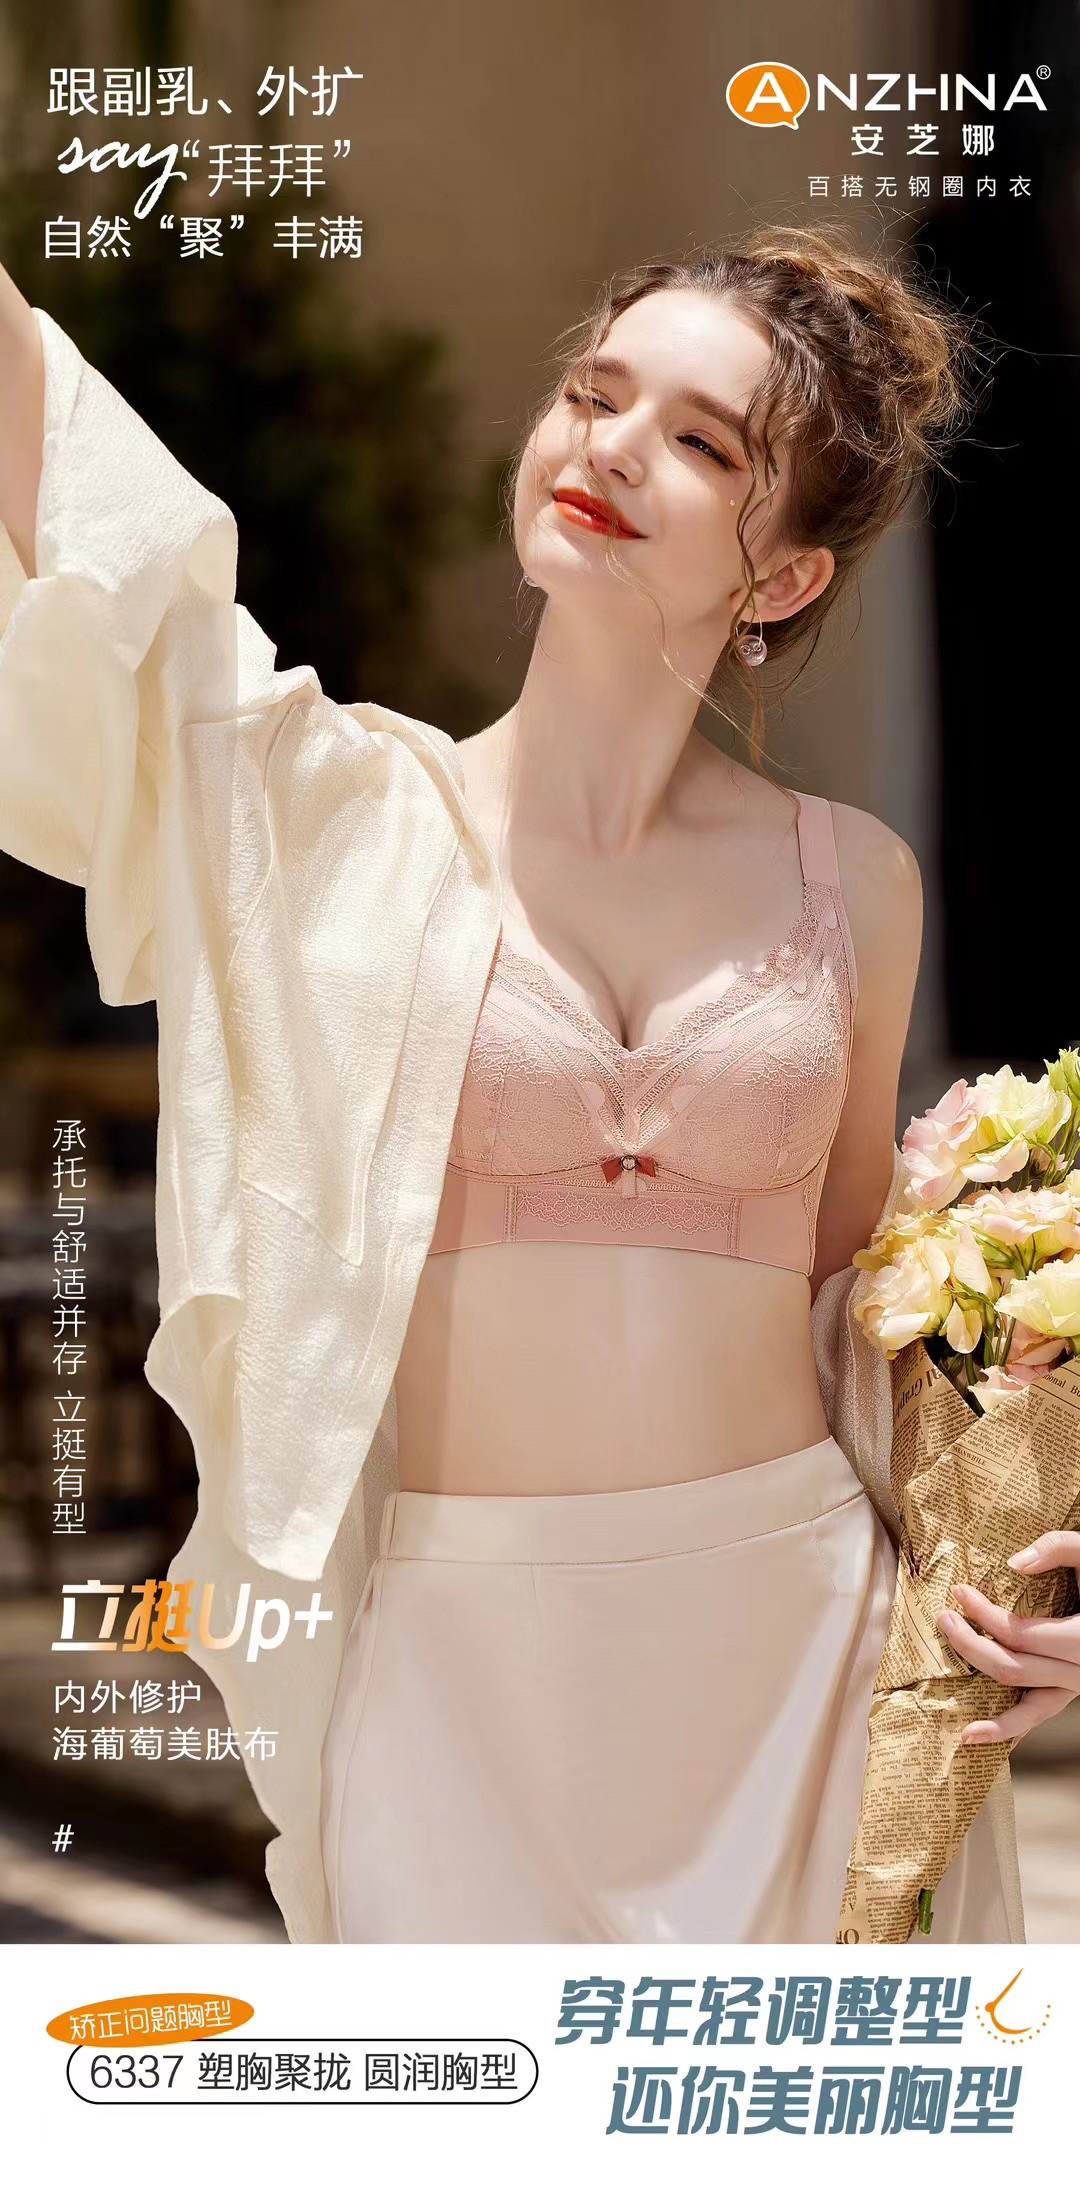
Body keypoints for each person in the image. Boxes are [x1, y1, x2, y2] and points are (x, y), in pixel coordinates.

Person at [0, 225, 1073, 1946]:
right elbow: (115, 564)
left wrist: (1026, 1562)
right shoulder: (338, 819)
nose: (611, 446)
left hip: (803, 1655)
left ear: (784, 576)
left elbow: (865, 1306)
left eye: (701, 441)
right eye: (593, 394)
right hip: (456, 1677)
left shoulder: (856, 881)